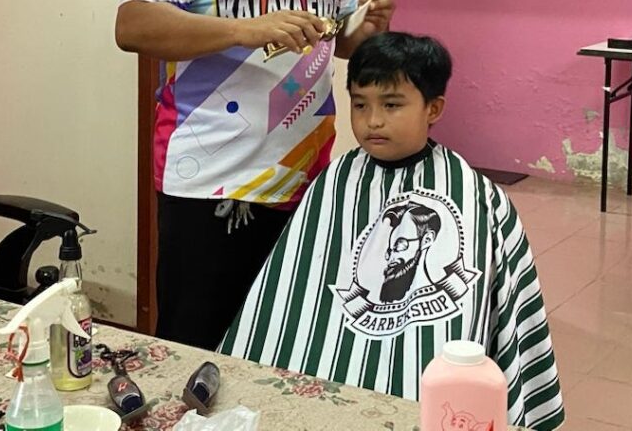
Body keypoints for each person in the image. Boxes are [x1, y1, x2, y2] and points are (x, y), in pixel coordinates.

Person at [115, 0, 394, 349]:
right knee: (194, 343)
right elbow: (134, 26)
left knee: (282, 339)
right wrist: (246, 29)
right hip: (211, 181)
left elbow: (334, 41)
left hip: (304, 177)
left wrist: (364, 31)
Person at [220, 33, 565, 431]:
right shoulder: (334, 181)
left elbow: (509, 307)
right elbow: (294, 287)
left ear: (433, 108)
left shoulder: (476, 196)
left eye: (392, 105)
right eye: (360, 104)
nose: (373, 120)